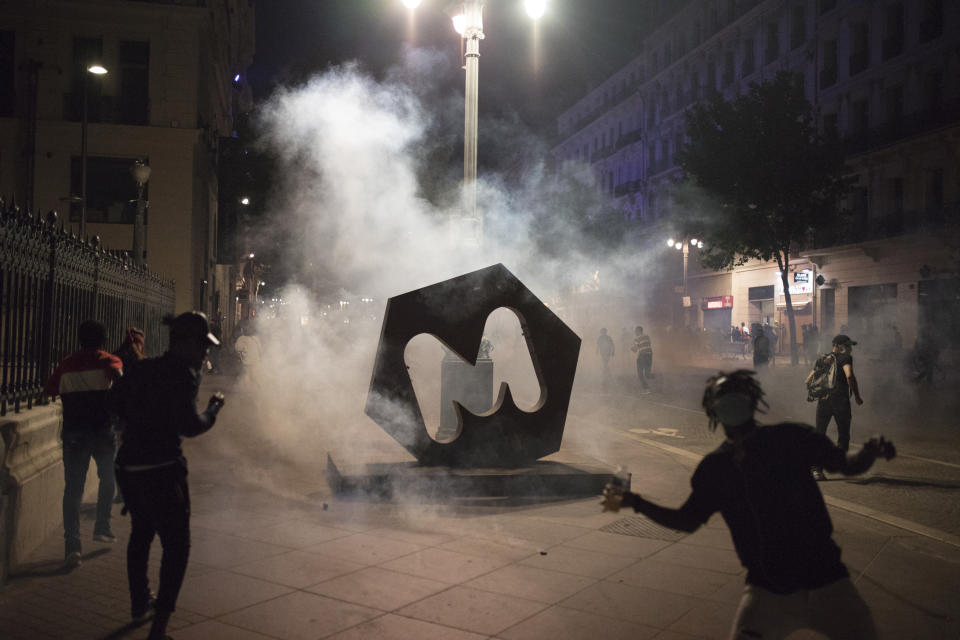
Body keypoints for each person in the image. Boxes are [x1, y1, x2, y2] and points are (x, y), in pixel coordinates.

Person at [602, 370, 895, 640]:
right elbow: (687, 520)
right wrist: (634, 501)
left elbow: (844, 464)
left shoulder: (787, 439)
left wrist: (868, 453)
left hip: (823, 584)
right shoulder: (726, 463)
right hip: (776, 590)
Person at [111, 312, 225, 638]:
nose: (205, 353)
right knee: (177, 546)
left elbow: (113, 402)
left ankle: (138, 603)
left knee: (141, 533)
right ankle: (158, 628)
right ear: (185, 343)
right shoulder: (181, 375)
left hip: (129, 469)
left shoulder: (142, 368)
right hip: (162, 472)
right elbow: (190, 426)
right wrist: (214, 409)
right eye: (202, 346)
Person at [44, 320, 124, 567]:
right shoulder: (110, 362)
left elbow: (49, 390)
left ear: (80, 339)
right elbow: (122, 386)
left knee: (73, 490)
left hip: (74, 434)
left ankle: (72, 546)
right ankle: (101, 525)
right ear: (103, 340)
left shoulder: (66, 365)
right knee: (109, 478)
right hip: (101, 431)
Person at [807, 334, 863, 480]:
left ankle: (816, 470)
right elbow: (849, 375)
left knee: (820, 434)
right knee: (843, 435)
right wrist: (857, 395)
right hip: (841, 402)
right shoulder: (845, 358)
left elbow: (808, 380)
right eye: (848, 345)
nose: (850, 349)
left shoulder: (822, 359)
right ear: (840, 346)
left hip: (824, 401)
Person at [631, 325, 653, 394]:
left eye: (635, 331)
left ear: (639, 331)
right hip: (649, 355)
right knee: (647, 374)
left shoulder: (636, 339)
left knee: (640, 374)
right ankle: (660, 377)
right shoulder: (647, 336)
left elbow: (635, 350)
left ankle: (647, 389)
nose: (635, 332)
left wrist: (631, 348)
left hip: (642, 356)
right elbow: (649, 344)